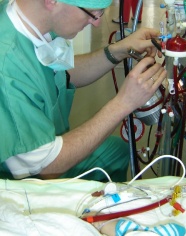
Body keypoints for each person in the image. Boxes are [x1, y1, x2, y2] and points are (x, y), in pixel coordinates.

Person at [0, 0, 167, 182]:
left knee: (118, 152)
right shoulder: (6, 67)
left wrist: (118, 51)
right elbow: (46, 168)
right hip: (27, 182)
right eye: (92, 13)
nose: (96, 23)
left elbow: (59, 73)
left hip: (43, 152)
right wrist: (124, 103)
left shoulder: (29, 21)